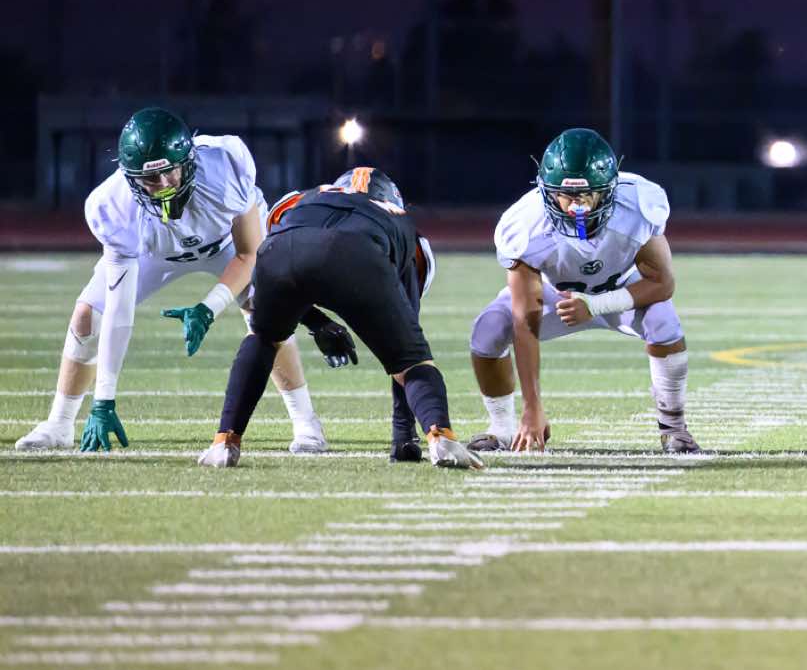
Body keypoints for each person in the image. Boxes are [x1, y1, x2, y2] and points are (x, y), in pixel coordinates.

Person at [12, 107, 329, 454]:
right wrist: (104, 400)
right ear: (130, 178)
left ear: (188, 161)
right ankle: (59, 423)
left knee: (264, 312)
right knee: (88, 316)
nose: (162, 185)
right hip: (155, 253)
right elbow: (119, 309)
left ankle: (306, 423)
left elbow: (248, 254)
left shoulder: (224, 167)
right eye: (150, 178)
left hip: (225, 242)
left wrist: (208, 308)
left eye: (168, 172)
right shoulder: (113, 206)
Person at [202, 167, 476, 469]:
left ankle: (225, 442)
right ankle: (442, 439)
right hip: (357, 254)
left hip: (280, 251)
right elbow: (406, 346)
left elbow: (280, 266)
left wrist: (316, 322)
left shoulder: (301, 199)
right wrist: (403, 437)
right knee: (413, 363)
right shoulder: (402, 224)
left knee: (263, 338)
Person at [466, 127, 698, 454]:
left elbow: (663, 283)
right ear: (547, 190)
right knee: (489, 328)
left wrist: (597, 304)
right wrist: (533, 407)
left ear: (610, 189)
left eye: (588, 193)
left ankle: (675, 431)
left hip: (620, 289)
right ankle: (502, 429)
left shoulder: (636, 204)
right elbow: (524, 318)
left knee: (664, 321)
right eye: (566, 194)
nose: (577, 205)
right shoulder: (526, 223)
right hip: (555, 295)